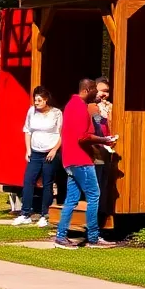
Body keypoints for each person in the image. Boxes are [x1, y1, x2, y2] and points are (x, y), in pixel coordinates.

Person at [54, 78, 118, 249]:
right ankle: (93, 238)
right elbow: (82, 137)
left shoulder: (70, 105)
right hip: (81, 160)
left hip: (69, 159)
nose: (96, 94)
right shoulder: (80, 107)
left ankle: (61, 237)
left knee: (72, 199)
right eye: (94, 90)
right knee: (94, 196)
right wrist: (105, 139)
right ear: (87, 89)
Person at [14, 86, 62, 227]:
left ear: (46, 100)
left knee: (47, 182)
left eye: (39, 100)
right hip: (35, 152)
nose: (37, 103)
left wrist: (54, 150)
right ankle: (25, 213)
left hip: (49, 153)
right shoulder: (31, 111)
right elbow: (27, 130)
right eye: (35, 100)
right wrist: (28, 149)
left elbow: (61, 133)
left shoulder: (56, 113)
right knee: (29, 180)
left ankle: (44, 214)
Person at [88, 76, 114, 217]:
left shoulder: (109, 108)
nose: (104, 94)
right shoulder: (91, 107)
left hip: (107, 149)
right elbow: (98, 122)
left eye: (107, 91)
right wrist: (106, 112)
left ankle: (102, 214)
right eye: (101, 91)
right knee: (96, 185)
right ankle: (94, 218)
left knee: (104, 184)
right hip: (95, 151)